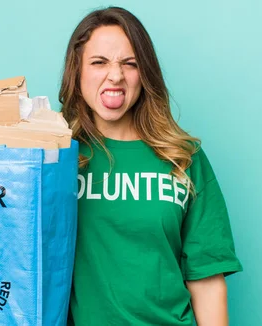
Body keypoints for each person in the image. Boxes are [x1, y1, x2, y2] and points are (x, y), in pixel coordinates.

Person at [59, 6, 243, 326]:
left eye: (129, 64)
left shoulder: (183, 157)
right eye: (99, 62)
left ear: (145, 74)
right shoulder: (55, 155)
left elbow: (207, 281)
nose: (115, 75)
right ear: (77, 71)